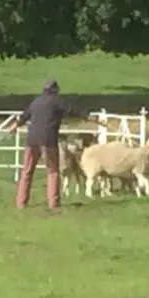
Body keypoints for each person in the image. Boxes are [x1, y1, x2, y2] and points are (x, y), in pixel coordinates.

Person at [7, 79, 93, 209]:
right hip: (48, 140)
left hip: (32, 140)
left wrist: (15, 125)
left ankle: (21, 202)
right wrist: (87, 116)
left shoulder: (36, 101)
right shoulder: (56, 101)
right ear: (55, 90)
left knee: (26, 171)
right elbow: (72, 109)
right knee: (52, 171)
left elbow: (25, 115)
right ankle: (53, 203)